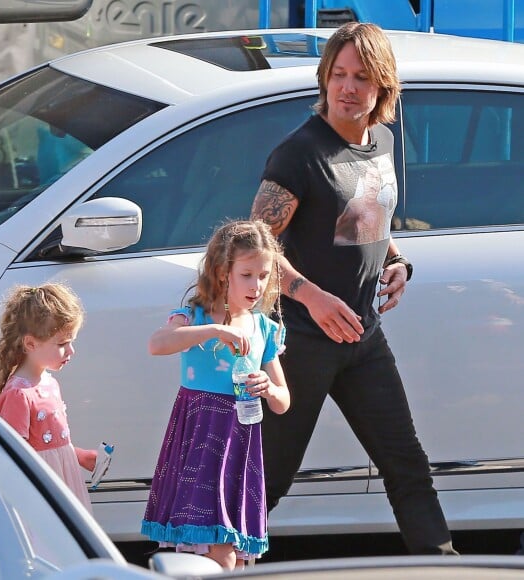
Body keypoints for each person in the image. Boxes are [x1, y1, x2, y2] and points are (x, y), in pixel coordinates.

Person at [250, 22, 457, 555]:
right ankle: (220, 563)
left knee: (407, 466)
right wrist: (310, 295)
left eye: (361, 78)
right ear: (324, 80)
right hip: (299, 343)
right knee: (266, 482)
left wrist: (399, 261)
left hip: (364, 339)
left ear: (382, 86)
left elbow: (368, 220)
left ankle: (443, 566)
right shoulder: (298, 155)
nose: (347, 88)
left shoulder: (383, 139)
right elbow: (250, 252)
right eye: (338, 75)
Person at [140, 219, 291, 570]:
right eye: (247, 274)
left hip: (239, 442)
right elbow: (157, 344)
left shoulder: (264, 328)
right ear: (224, 272)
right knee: (220, 550)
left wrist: (269, 389)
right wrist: (211, 329)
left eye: (264, 275)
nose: (257, 285)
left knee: (235, 558)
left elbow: (284, 401)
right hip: (201, 439)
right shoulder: (193, 316)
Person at [0, 283, 96, 513]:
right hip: (40, 496)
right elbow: (16, 455)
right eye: (63, 344)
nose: (71, 351)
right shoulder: (18, 394)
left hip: (62, 487)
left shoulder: (49, 383)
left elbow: (50, 443)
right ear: (31, 343)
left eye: (71, 342)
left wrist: (78, 456)